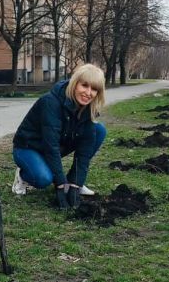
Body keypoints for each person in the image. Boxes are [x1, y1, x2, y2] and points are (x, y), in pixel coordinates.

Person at [12, 63, 106, 209]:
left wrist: (75, 184)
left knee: (98, 130)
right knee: (43, 179)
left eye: (94, 89)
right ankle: (24, 175)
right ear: (75, 84)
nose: (88, 93)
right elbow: (51, 146)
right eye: (84, 85)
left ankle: (71, 180)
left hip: (56, 144)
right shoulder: (51, 102)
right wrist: (60, 185)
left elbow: (84, 152)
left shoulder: (89, 108)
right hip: (28, 148)